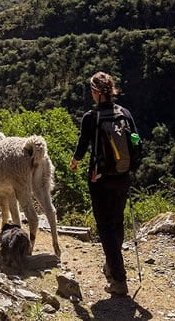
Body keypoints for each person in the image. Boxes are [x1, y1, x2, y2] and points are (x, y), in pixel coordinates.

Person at [69, 71, 138, 296]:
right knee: (117, 222)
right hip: (122, 177)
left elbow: (83, 142)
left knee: (105, 227)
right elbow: (136, 140)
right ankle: (112, 264)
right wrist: (133, 161)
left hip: (99, 179)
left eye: (91, 90)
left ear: (97, 92)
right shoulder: (125, 113)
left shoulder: (92, 117)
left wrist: (75, 160)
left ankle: (119, 279)